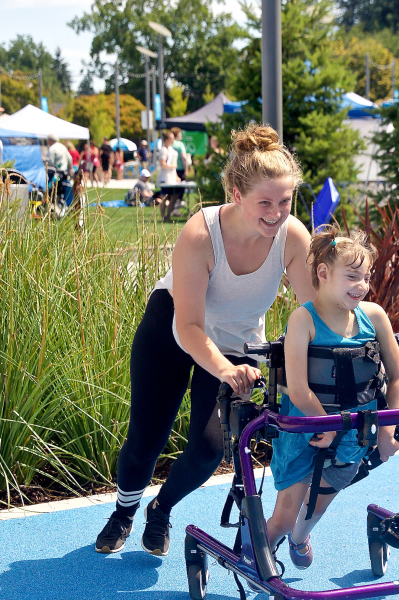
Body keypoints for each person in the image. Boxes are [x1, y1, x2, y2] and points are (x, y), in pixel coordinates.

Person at [94, 124, 318, 557]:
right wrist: (225, 370)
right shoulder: (201, 233)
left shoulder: (292, 237)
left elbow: (311, 310)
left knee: (210, 448)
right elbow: (190, 326)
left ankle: (161, 509)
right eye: (265, 203)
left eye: (285, 202)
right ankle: (123, 511)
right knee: (147, 436)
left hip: (235, 341)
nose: (276, 213)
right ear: (236, 193)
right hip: (173, 331)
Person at [263, 225, 399, 569]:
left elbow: (398, 376)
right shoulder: (303, 320)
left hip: (357, 431)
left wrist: (387, 429)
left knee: (318, 505)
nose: (362, 286)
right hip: (306, 430)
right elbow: (298, 388)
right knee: (283, 519)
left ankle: (300, 537)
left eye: (367, 277)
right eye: (353, 276)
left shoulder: (373, 316)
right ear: (324, 274)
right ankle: (257, 551)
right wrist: (323, 424)